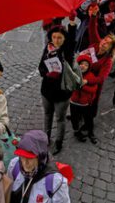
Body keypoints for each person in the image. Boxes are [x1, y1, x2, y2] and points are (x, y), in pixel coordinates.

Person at [38, 18, 77, 154]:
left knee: (60, 119)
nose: (56, 40)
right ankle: (45, 138)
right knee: (47, 115)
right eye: (54, 37)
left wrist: (72, 23)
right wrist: (46, 74)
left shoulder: (67, 51)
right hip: (47, 91)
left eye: (60, 38)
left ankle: (59, 142)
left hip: (62, 92)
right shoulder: (48, 48)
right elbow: (41, 67)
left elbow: (72, 40)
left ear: (64, 39)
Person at [7, 130, 71, 203]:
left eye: (30, 158)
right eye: (22, 156)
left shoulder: (55, 182)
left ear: (40, 157)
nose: (24, 163)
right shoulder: (14, 165)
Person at [69, 55, 99, 144]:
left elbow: (94, 89)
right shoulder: (73, 74)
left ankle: (91, 133)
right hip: (74, 102)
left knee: (88, 119)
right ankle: (76, 131)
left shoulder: (90, 76)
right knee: (74, 119)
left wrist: (82, 86)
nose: (83, 66)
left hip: (85, 104)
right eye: (81, 64)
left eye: (86, 65)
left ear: (89, 67)